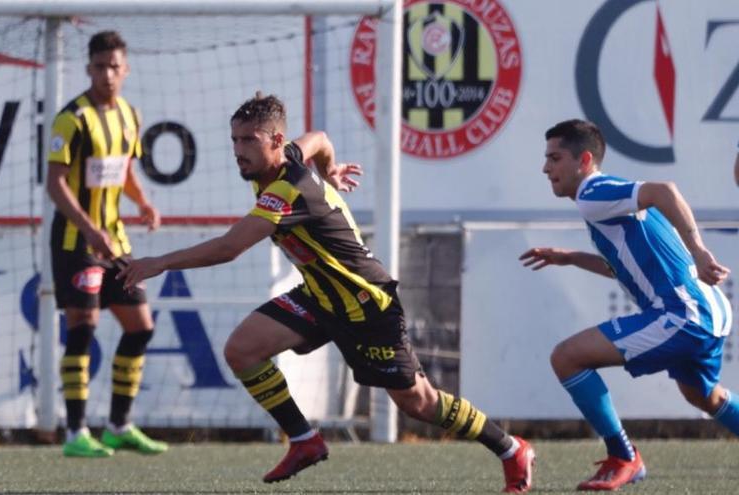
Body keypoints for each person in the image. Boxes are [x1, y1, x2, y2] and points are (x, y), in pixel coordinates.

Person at [118, 92, 535, 492]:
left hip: (366, 304)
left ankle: (512, 448)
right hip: (318, 298)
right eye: (234, 139)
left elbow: (230, 247)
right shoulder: (284, 160)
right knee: (242, 350)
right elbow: (319, 138)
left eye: (249, 140)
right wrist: (331, 169)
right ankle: (304, 440)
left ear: (276, 141)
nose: (238, 150)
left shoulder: (288, 187)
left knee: (419, 404)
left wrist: (159, 262)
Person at [520, 119, 738, 491]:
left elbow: (664, 190)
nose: (546, 168)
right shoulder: (610, 200)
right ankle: (625, 456)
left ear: (583, 160)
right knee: (704, 395)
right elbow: (624, 270)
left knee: (567, 357)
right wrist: (571, 258)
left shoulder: (593, 193)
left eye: (554, 158)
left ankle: (624, 456)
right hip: (710, 311)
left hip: (683, 315)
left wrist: (700, 250)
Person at [47, 30, 167, 458]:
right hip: (76, 241)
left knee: (140, 327)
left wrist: (144, 202)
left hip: (115, 238)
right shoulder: (71, 118)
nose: (108, 74)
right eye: (100, 67)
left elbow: (122, 170)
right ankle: (76, 432)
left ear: (126, 69)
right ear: (88, 68)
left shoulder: (130, 115)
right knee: (84, 326)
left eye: (115, 66)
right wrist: (88, 228)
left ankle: (118, 425)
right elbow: (55, 185)